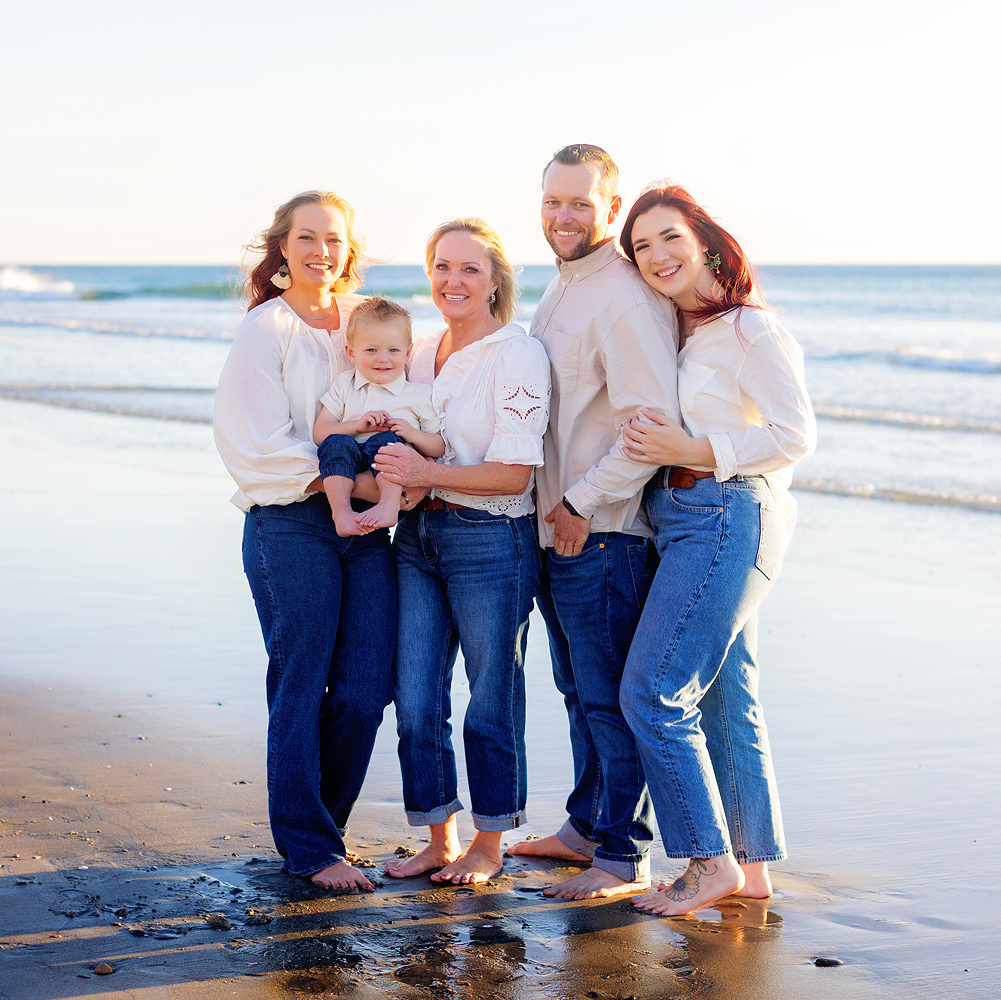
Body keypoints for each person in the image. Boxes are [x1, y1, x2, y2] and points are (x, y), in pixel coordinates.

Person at [615, 183, 815, 916]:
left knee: (653, 691)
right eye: (640, 247)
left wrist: (694, 448)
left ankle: (707, 861)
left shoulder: (750, 330)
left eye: (668, 237)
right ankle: (751, 869)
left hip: (727, 515)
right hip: (690, 517)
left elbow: (796, 436)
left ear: (703, 239)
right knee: (729, 700)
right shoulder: (689, 331)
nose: (656, 255)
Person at [213, 191, 403, 892]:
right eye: (307, 238)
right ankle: (309, 846)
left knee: (363, 688)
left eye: (333, 240)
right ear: (283, 247)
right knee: (301, 679)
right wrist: (358, 483)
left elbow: (414, 400)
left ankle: (328, 830)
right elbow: (255, 447)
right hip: (289, 524)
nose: (322, 251)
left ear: (348, 249)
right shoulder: (266, 330)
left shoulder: (367, 321)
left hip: (368, 533)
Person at [505, 144, 679, 899]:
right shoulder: (563, 288)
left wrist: (579, 503)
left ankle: (621, 853)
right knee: (577, 689)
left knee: (606, 696)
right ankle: (585, 825)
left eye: (580, 202)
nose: (564, 216)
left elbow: (652, 421)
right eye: (552, 202)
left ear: (612, 209)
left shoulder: (623, 296)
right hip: (556, 529)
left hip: (601, 532)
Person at [371, 219, 551, 885]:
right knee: (416, 697)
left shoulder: (516, 353)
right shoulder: (418, 352)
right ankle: (438, 836)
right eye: (442, 266)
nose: (453, 280)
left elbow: (513, 474)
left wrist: (422, 476)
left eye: (470, 269)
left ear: (496, 280)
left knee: (490, 699)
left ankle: (489, 843)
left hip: (491, 542)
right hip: (416, 538)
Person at [313, 296, 445, 536]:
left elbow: (439, 446)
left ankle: (389, 504)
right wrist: (357, 426)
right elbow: (320, 433)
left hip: (389, 472)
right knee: (335, 443)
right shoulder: (345, 384)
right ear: (351, 353)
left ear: (408, 352)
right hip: (348, 464)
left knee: (386, 442)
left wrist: (412, 435)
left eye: (393, 350)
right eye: (371, 350)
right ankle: (341, 512)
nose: (383, 358)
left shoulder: (418, 394)